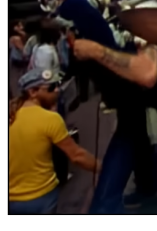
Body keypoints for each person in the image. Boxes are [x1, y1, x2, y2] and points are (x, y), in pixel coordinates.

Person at [58, 0, 157, 214]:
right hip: (134, 107)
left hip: (152, 100)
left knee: (105, 202)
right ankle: (146, 190)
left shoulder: (149, 12)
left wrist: (95, 51)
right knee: (137, 147)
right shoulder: (131, 2)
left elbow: (148, 73)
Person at [9, 67, 100, 214]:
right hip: (43, 197)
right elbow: (77, 156)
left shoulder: (12, 115)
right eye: (51, 88)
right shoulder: (50, 119)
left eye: (57, 85)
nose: (57, 90)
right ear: (33, 92)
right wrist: (101, 166)